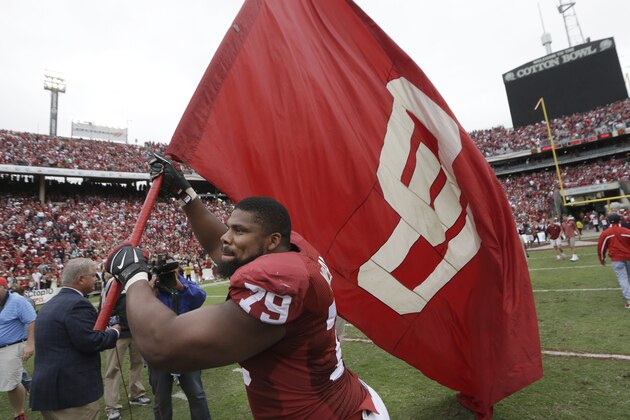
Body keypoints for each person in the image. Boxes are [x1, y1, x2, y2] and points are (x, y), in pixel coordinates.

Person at [104, 154, 389, 419]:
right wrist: (185, 194)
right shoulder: (292, 249)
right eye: (229, 227)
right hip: (337, 397)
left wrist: (133, 275)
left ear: (272, 240)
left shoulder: (278, 279)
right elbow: (223, 248)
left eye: (239, 231)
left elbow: (163, 346)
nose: (227, 237)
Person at [29, 258, 120, 420]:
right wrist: (114, 332)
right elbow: (91, 342)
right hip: (71, 393)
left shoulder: (50, 304)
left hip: (48, 390)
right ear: (80, 279)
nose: (96, 280)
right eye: (93, 276)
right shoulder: (77, 304)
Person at [146, 254, 211, 420]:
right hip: (159, 352)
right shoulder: (149, 289)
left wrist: (180, 287)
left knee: (197, 395)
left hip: (186, 350)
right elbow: (140, 315)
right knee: (161, 401)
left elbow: (200, 298)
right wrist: (148, 294)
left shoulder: (183, 282)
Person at [100, 274, 151, 420]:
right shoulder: (113, 282)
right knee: (113, 369)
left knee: (138, 363)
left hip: (136, 330)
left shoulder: (136, 280)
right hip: (118, 333)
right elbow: (105, 305)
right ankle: (111, 406)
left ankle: (136, 394)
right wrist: (112, 327)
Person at [0, 276, 36, 420]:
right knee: (14, 379)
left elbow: (32, 321)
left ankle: (19, 413)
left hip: (13, 345)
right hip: (3, 347)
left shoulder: (17, 301)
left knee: (11, 382)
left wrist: (30, 344)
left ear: (4, 287)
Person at [597, 213, 630, 309]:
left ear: (607, 221)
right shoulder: (626, 231)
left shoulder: (606, 233)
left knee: (623, 279)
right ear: (620, 220)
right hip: (628, 257)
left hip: (617, 259)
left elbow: (601, 247)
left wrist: (602, 258)